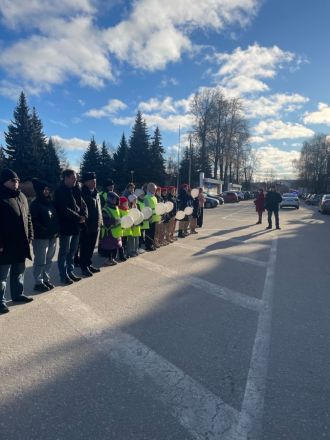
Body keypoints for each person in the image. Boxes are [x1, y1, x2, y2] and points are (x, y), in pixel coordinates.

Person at [0, 169, 34, 314]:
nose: (16, 183)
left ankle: (17, 294)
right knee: (2, 276)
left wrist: (30, 235)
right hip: (5, 245)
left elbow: (28, 218)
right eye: (12, 180)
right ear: (4, 181)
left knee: (18, 272)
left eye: (17, 180)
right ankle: (0, 302)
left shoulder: (22, 196)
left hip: (21, 243)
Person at [54, 169, 88, 285]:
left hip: (76, 227)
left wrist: (84, 215)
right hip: (66, 227)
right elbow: (63, 209)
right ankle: (64, 276)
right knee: (64, 252)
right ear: (66, 178)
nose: (75, 180)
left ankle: (70, 271)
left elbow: (83, 204)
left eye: (76, 178)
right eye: (73, 178)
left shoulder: (75, 189)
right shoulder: (59, 191)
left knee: (72, 251)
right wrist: (79, 217)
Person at [30, 178, 59, 292]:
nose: (46, 191)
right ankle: (38, 282)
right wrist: (45, 230)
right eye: (44, 189)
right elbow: (34, 221)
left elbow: (56, 218)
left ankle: (46, 279)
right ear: (39, 191)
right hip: (40, 238)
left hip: (53, 236)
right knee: (40, 261)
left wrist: (56, 230)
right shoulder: (35, 204)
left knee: (49, 260)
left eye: (47, 189)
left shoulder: (50, 202)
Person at [79, 172, 102, 277]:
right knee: (85, 247)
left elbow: (99, 209)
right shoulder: (82, 193)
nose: (94, 182)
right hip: (86, 226)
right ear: (86, 182)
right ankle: (84, 267)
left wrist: (100, 222)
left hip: (96, 225)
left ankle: (88, 264)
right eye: (92, 181)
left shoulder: (97, 193)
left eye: (95, 181)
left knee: (91, 247)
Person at [99, 192, 123, 266]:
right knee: (109, 247)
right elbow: (106, 221)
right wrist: (116, 221)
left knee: (115, 246)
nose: (115, 201)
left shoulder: (116, 208)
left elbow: (119, 217)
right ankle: (108, 260)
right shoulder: (105, 209)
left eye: (116, 199)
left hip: (116, 231)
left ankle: (113, 259)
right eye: (114, 199)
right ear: (109, 199)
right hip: (109, 231)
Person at [144, 182, 161, 251]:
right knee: (148, 232)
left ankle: (151, 244)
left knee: (153, 232)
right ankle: (148, 246)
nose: (155, 190)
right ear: (149, 189)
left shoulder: (154, 197)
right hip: (149, 218)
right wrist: (149, 217)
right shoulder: (146, 197)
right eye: (153, 189)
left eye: (155, 189)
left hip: (155, 217)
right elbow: (146, 208)